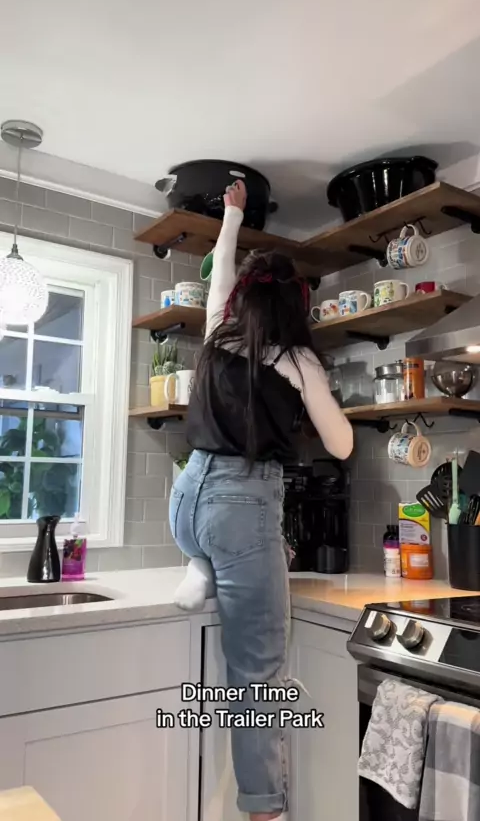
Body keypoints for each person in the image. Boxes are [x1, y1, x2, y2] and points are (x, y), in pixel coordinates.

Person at [169, 179, 353, 821]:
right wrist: (321, 400)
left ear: (243, 298)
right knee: (257, 674)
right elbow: (342, 445)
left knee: (225, 544)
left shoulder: (218, 332)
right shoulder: (298, 359)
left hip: (187, 500)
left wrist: (232, 216)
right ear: (297, 306)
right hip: (239, 508)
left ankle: (200, 567)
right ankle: (264, 809)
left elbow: (221, 268)